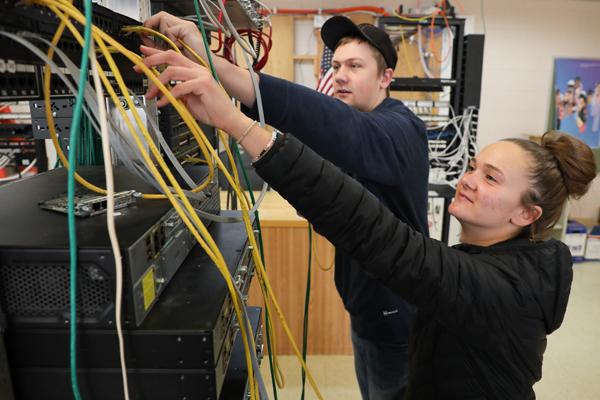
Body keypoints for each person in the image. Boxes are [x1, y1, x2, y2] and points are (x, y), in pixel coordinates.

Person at [135, 42, 597, 398]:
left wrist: (236, 121)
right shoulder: (502, 263)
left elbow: (374, 230)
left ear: (526, 213)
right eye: (473, 167)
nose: (468, 180)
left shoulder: (498, 287)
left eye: (491, 178)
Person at [140, 13, 429, 399]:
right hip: (367, 309)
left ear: (386, 79)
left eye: (355, 66)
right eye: (337, 65)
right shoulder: (362, 131)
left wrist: (218, 70)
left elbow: (346, 130)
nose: (340, 75)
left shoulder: (400, 129)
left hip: (397, 319)